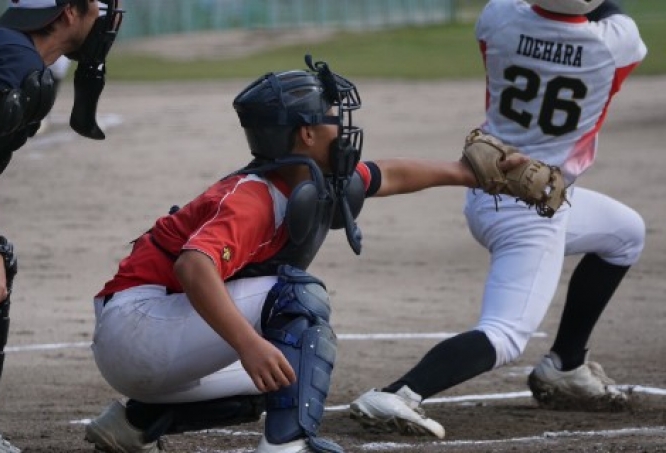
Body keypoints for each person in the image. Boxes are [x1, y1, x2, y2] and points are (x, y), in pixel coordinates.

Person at [83, 55, 529, 453]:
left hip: (151, 337)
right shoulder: (253, 197)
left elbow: (388, 174)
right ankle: (287, 446)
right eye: (333, 117)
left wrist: (466, 173)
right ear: (307, 133)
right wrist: (248, 345)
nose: (344, 128)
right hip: (138, 328)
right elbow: (193, 267)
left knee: (288, 376)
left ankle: (133, 424)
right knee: (297, 297)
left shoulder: (305, 178)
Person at [349, 0, 648, 439]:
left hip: (486, 185)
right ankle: (398, 394)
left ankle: (566, 365)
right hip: (532, 211)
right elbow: (607, 12)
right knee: (506, 336)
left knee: (625, 233)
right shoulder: (615, 43)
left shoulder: (499, 17)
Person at [0, 1, 124, 451]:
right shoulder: (18, 65)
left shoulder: (11, 51)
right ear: (67, 13)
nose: (106, 21)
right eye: (97, 9)